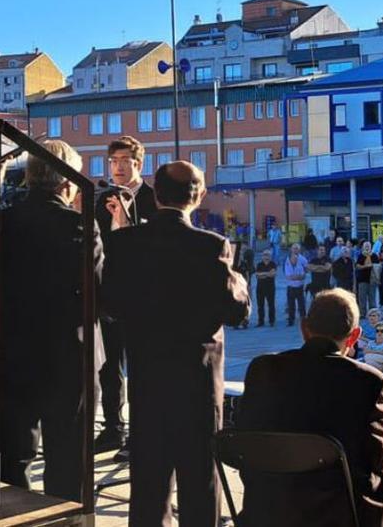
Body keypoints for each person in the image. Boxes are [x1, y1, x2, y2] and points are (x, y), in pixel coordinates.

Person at [102, 161, 250, 526]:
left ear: (156, 192)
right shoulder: (211, 246)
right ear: (198, 196)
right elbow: (236, 312)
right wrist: (240, 283)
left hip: (147, 375)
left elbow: (110, 305)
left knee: (149, 478)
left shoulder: (123, 242)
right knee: (200, 476)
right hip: (196, 380)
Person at [0, 140, 102, 501]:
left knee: (12, 456)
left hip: (11, 349)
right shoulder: (79, 225)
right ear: (67, 184)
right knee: (68, 456)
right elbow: (98, 292)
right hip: (68, 355)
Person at [237, 288, 383, 526]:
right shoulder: (368, 380)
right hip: (337, 511)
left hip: (268, 504)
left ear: (304, 328)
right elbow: (377, 459)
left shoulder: (262, 368)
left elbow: (244, 437)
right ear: (354, 336)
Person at [93, 135, 159, 453]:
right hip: (109, 295)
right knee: (109, 368)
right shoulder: (100, 199)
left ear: (138, 163)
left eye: (124, 161)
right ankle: (112, 428)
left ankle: (139, 432)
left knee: (141, 367)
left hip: (142, 297)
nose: (118, 167)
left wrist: (126, 222)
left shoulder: (153, 199)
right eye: (113, 162)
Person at [253, 249, 277, 328]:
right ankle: (261, 321)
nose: (266, 257)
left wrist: (262, 274)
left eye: (268, 255)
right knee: (260, 306)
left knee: (271, 305)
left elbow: (272, 274)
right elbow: (257, 275)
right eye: (265, 255)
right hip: (260, 288)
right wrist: (267, 273)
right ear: (262, 256)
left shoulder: (273, 264)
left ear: (270, 256)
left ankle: (272, 321)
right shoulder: (259, 264)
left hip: (270, 288)